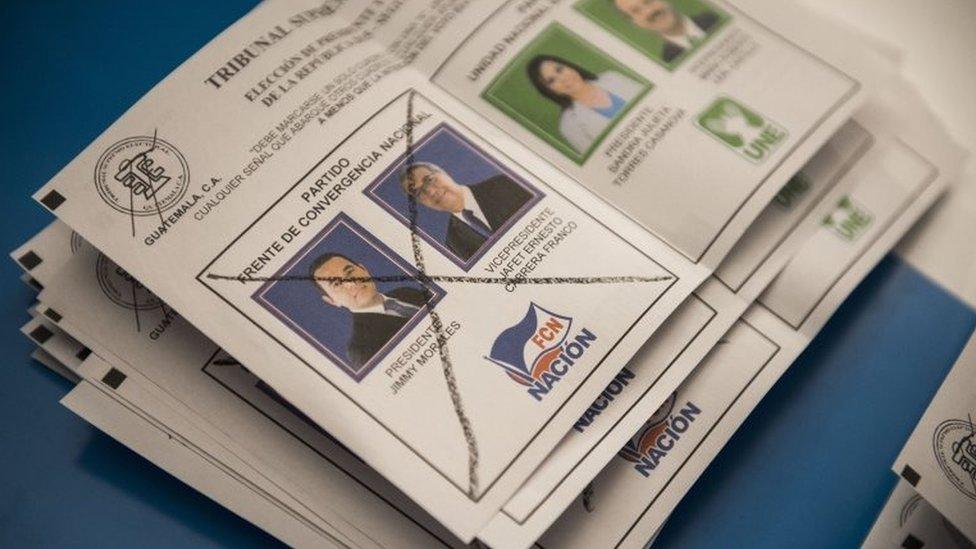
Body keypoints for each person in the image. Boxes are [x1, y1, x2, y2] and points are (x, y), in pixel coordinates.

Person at [309, 252, 428, 369]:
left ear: (364, 269)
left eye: (350, 272)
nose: (351, 283)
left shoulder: (406, 292)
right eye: (336, 283)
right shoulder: (360, 349)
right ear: (332, 301)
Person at [399, 162, 533, 261]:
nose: (430, 191)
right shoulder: (453, 242)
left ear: (443, 173)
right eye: (417, 192)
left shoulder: (505, 184)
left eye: (429, 180)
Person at [526, 55, 642, 154]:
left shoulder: (612, 77)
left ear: (569, 66)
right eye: (552, 81)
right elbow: (602, 161)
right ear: (549, 91)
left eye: (559, 69)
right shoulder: (569, 125)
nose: (563, 78)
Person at [610, 0, 720, 63]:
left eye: (648, 1)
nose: (650, 11)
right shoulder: (669, 61)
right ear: (635, 23)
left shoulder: (717, 17)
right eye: (636, 11)